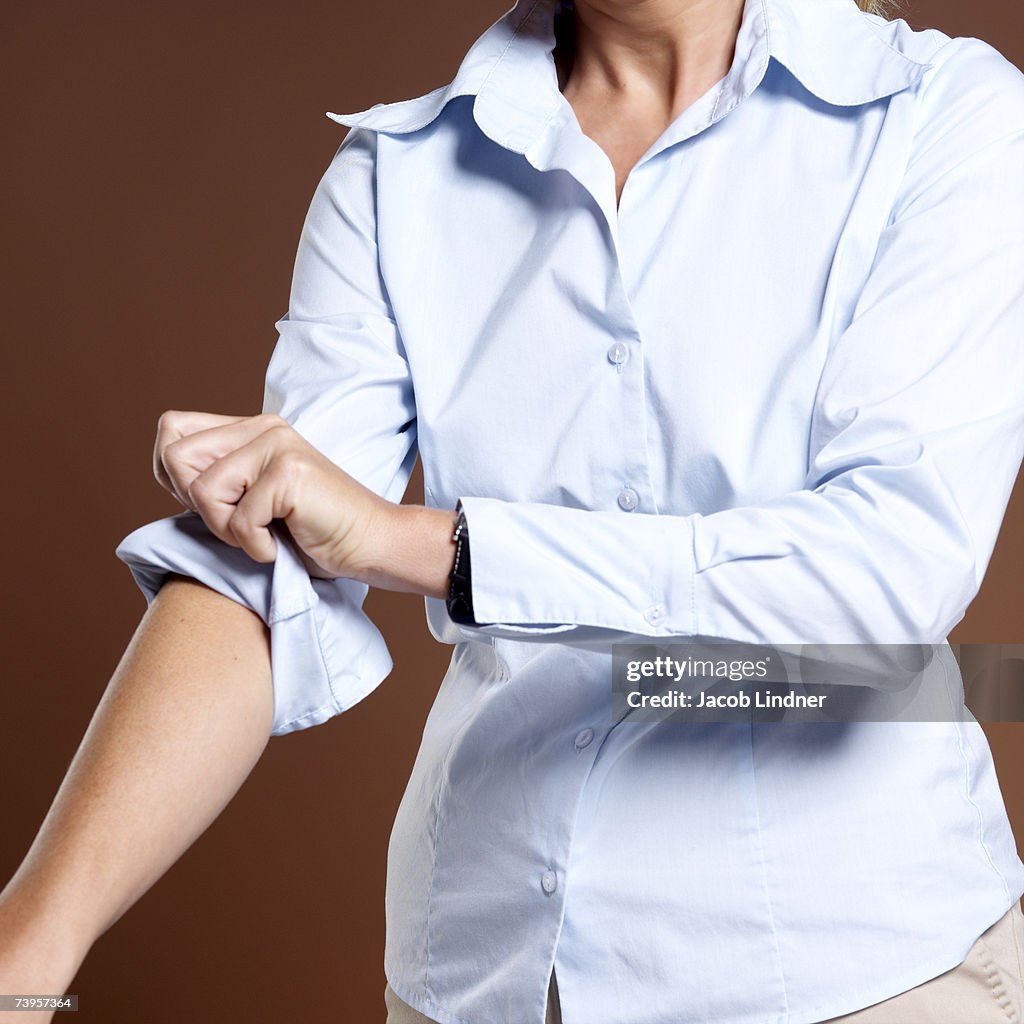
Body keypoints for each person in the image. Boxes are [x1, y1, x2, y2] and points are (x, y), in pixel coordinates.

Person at [3, 0, 1024, 1020]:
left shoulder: (944, 114)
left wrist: (429, 546)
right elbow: (261, 565)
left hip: (861, 971)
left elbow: (885, 577)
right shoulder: (395, 171)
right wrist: (32, 942)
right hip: (492, 974)